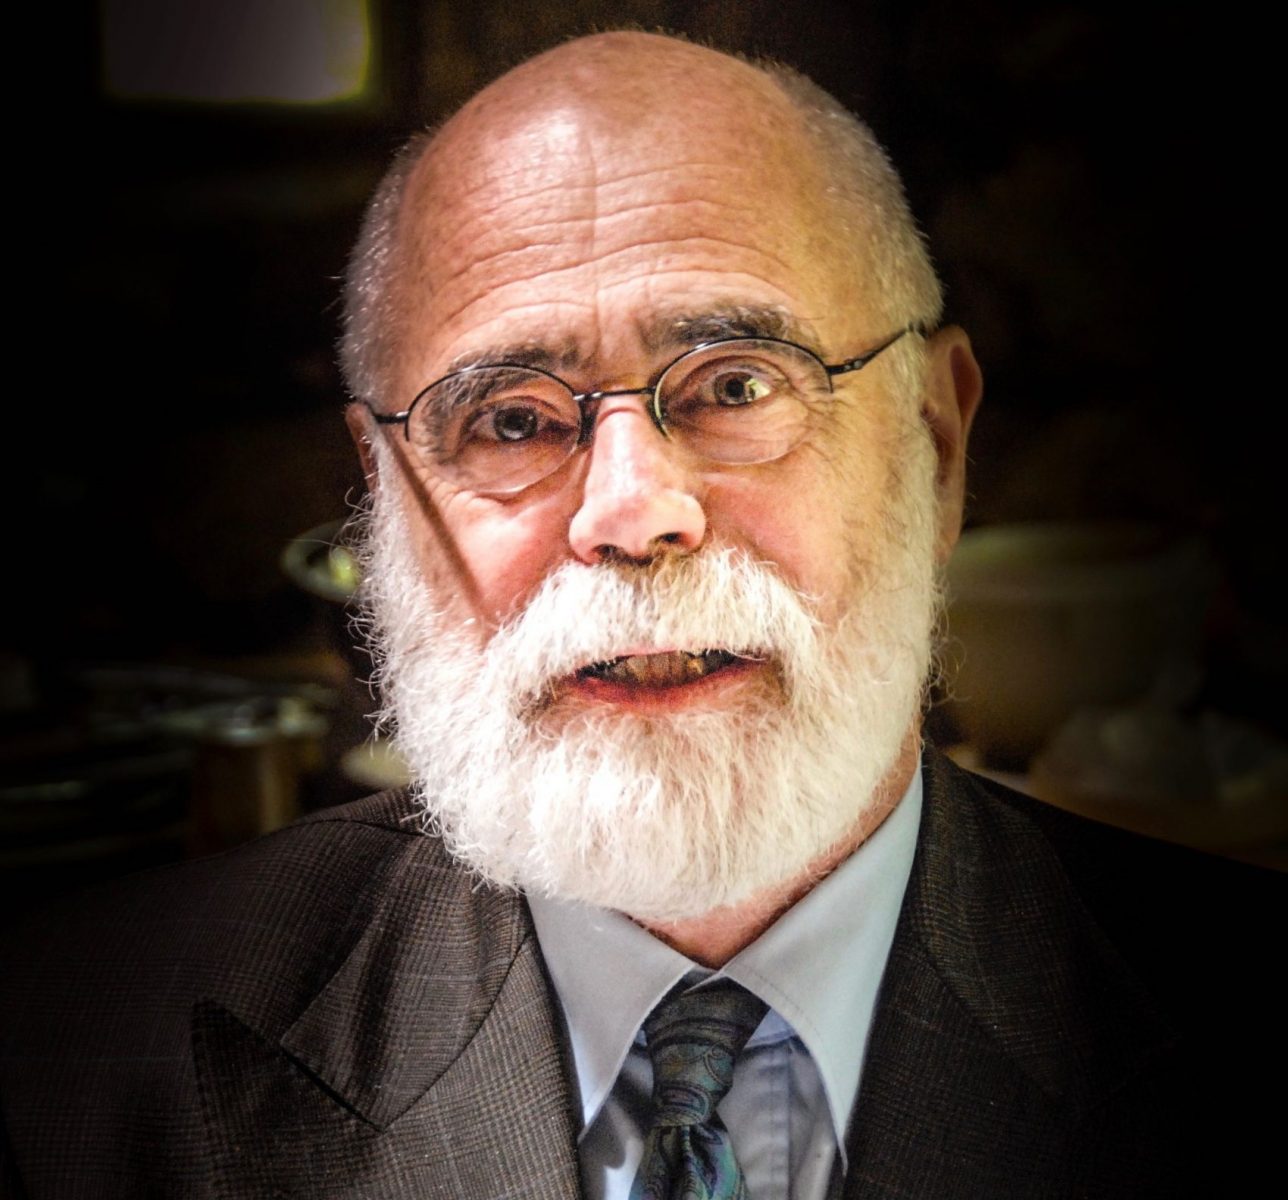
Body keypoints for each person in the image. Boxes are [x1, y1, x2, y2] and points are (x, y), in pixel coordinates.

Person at [1, 31, 1280, 1200]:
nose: (631, 513)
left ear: (935, 448)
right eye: (510, 419)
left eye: (735, 386)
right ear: (384, 498)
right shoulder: (58, 1059)